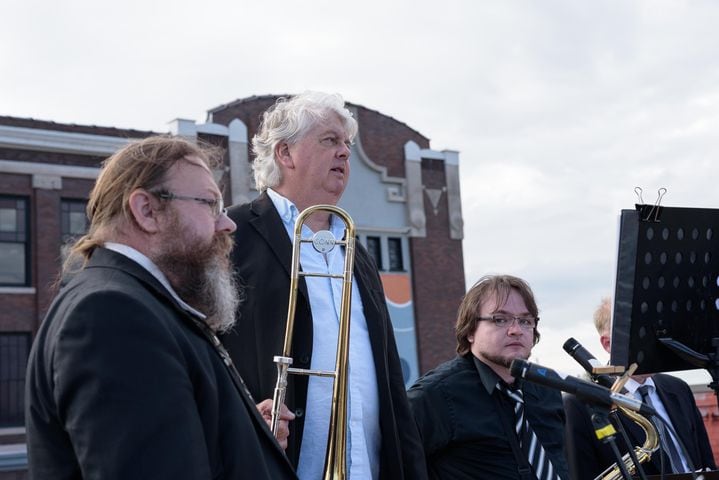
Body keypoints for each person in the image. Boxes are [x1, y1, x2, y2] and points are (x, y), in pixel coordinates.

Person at [25, 136, 297, 480]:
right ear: (147, 211)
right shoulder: (113, 315)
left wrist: (243, 432)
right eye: (210, 205)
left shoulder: (141, 303)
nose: (228, 224)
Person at [220, 91, 427, 479]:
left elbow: (390, 380)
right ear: (285, 154)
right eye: (330, 141)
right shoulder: (233, 234)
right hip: (274, 464)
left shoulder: (357, 252)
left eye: (346, 144)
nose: (345, 153)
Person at [407, 274, 569, 480]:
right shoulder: (434, 396)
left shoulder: (547, 389)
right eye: (500, 319)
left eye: (525, 321)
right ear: (470, 331)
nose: (516, 330)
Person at [563, 297, 716, 478]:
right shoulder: (580, 406)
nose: (652, 337)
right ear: (607, 344)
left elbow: (707, 465)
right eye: (638, 330)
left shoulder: (678, 388)